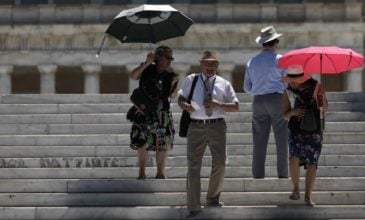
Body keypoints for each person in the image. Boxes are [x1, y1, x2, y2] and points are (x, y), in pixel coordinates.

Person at [178, 51, 239, 218]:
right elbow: (180, 99)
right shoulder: (191, 79)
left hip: (217, 126)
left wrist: (218, 103)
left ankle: (212, 198)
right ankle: (193, 206)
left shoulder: (224, 83)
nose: (210, 66)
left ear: (218, 65)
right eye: (207, 63)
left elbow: (235, 106)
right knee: (193, 165)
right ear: (201, 64)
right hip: (196, 126)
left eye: (213, 63)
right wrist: (186, 106)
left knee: (220, 163)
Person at [243, 26, 288, 179]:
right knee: (282, 139)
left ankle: (258, 174)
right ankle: (282, 174)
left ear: (262, 43)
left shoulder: (252, 61)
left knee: (259, 140)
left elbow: (246, 87)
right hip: (276, 98)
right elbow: (287, 82)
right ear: (276, 42)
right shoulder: (280, 59)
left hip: (258, 101)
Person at [128, 45, 178, 180]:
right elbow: (133, 76)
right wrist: (147, 63)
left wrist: (174, 85)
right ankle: (142, 173)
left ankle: (161, 173)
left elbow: (172, 95)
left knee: (163, 145)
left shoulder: (170, 75)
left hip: (162, 113)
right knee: (142, 143)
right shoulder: (147, 69)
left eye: (170, 59)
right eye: (167, 58)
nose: (169, 61)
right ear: (158, 57)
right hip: (144, 111)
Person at [282, 64, 328, 207]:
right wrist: (293, 113)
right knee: (293, 158)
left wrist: (322, 99)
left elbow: (325, 108)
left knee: (312, 164)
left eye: (295, 79)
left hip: (314, 130)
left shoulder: (316, 87)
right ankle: (296, 189)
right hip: (296, 130)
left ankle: (308, 197)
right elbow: (284, 115)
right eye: (290, 79)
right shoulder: (287, 92)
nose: (292, 82)